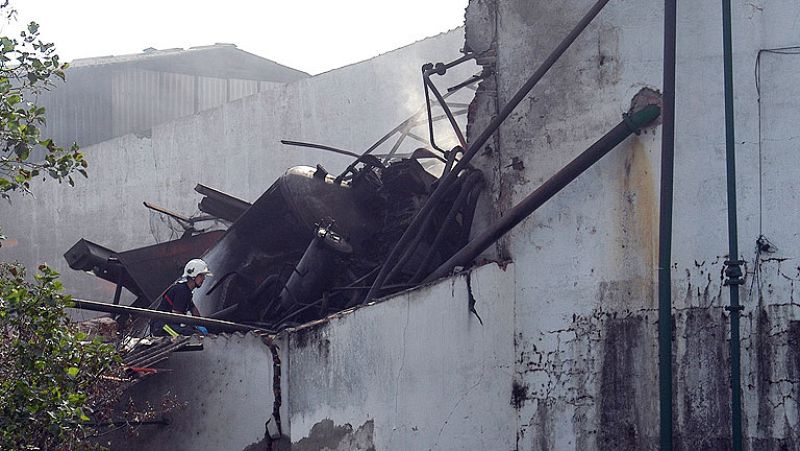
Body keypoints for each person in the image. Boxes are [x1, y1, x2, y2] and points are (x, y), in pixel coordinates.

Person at [150, 258, 212, 336]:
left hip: (168, 326)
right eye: (201, 276)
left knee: (194, 331)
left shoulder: (187, 292)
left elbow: (194, 311)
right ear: (193, 275)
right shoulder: (181, 291)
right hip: (162, 327)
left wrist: (201, 324)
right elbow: (177, 315)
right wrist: (193, 326)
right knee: (188, 334)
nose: (203, 279)